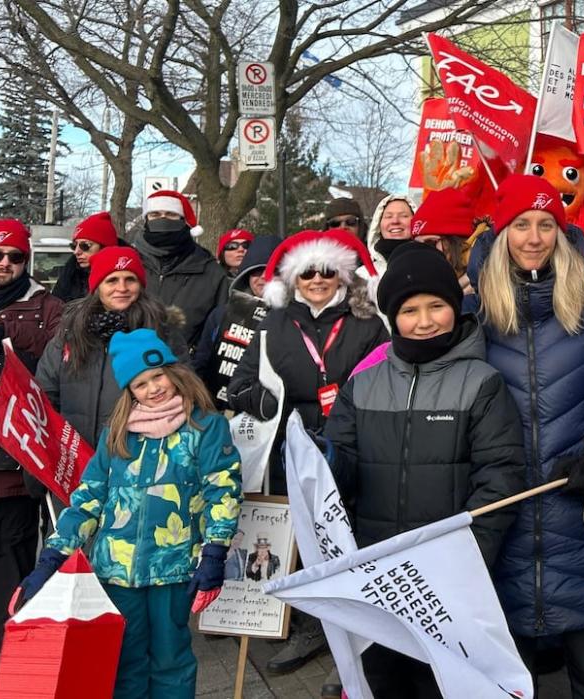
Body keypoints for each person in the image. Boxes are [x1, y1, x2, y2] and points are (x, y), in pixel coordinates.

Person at [326, 242, 527, 697]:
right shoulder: (364, 384)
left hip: (448, 581)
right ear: (392, 317)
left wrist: (465, 559)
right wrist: (324, 465)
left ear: (455, 308)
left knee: (443, 684)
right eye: (410, 309)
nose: (424, 320)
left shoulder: (481, 383)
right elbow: (341, 471)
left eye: (436, 306)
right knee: (383, 681)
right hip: (376, 578)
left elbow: (500, 476)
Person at [474, 175, 584, 697]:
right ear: (502, 236)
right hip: (503, 522)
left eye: (547, 225)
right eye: (521, 224)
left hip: (580, 518)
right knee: (509, 684)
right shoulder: (474, 315)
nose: (534, 237)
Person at [17, 328, 242, 699]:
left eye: (157, 376)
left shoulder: (205, 426)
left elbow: (224, 490)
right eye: (140, 384)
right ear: (129, 391)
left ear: (173, 372)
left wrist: (214, 552)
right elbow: (89, 497)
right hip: (116, 572)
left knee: (171, 660)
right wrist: (51, 557)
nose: (153, 388)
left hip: (173, 568)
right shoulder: (117, 433)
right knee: (125, 659)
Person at [226, 229, 388, 674]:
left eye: (327, 271)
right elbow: (238, 383)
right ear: (294, 279)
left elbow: (384, 379)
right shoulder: (272, 322)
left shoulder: (369, 322)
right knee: (301, 539)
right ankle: (310, 627)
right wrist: (258, 400)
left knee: (349, 536)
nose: (317, 279)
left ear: (341, 274)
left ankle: (357, 637)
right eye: (307, 272)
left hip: (351, 442)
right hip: (289, 444)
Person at [0, 218, 62, 652]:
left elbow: (60, 367)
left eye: (15, 256)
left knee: (12, 555)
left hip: (16, 458)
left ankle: (13, 641)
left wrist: (11, 345)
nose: (4, 264)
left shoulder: (47, 307)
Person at [37, 246, 186, 449]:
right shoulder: (71, 331)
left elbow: (183, 390)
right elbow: (45, 394)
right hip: (74, 455)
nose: (122, 288)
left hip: (136, 455)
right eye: (112, 280)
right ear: (98, 286)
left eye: (130, 279)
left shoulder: (161, 331)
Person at [134, 189, 228, 354]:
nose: (162, 219)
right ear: (146, 220)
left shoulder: (211, 272)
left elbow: (219, 330)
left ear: (184, 221)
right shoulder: (127, 265)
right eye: (155, 214)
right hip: (127, 369)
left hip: (186, 371)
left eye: (170, 214)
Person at [192, 234, 282, 385]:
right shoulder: (221, 314)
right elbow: (202, 359)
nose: (264, 277)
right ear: (246, 275)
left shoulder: (296, 316)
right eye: (257, 271)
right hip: (218, 399)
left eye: (273, 271)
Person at [53, 211, 119, 302]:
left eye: (85, 246)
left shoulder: (128, 275)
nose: (76, 252)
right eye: (74, 245)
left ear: (105, 248)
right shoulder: (69, 276)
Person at [362, 194, 415, 274]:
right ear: (378, 224)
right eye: (388, 216)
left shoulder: (431, 267)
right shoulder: (364, 275)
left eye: (404, 216)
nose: (395, 221)